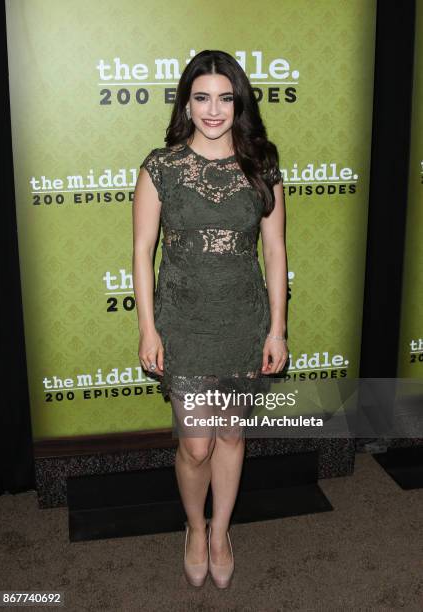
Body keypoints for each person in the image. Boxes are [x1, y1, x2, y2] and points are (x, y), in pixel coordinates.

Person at [132, 49, 288, 589]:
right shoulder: (161, 168)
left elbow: (275, 253)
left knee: (231, 436)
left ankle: (220, 532)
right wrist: (148, 329)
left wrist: (276, 328)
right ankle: (193, 527)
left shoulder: (261, 165)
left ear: (239, 103)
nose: (214, 109)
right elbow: (142, 251)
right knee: (195, 443)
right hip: (184, 320)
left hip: (242, 320)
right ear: (187, 103)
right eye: (202, 97)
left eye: (225, 97)